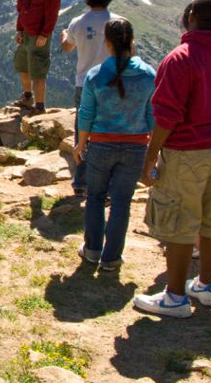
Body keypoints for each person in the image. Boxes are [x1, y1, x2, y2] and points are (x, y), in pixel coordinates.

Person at [134, 0, 211, 318]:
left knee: (180, 222)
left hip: (187, 151)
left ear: (192, 16)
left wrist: (151, 156)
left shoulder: (181, 58)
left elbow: (167, 116)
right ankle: (206, 286)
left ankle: (175, 297)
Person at [73, 18, 156, 271]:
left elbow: (86, 113)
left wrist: (81, 143)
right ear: (132, 42)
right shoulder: (148, 74)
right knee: (122, 201)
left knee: (96, 197)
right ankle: (111, 258)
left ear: (106, 44)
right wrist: (153, 145)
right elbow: (152, 113)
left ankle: (92, 250)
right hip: (135, 146)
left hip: (100, 145)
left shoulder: (95, 75)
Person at [61, 0, 122, 196]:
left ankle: (82, 180)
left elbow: (67, 48)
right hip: (113, 83)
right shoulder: (119, 22)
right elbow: (130, 53)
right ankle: (107, 182)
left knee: (83, 129)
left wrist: (64, 36)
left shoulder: (77, 22)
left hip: (84, 83)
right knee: (110, 128)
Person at [13, 0, 63, 114]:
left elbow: (52, 13)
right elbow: (21, 9)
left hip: (40, 34)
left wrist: (45, 34)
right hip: (26, 32)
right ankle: (27, 97)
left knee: (38, 70)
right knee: (23, 66)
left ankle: (40, 106)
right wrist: (19, 30)